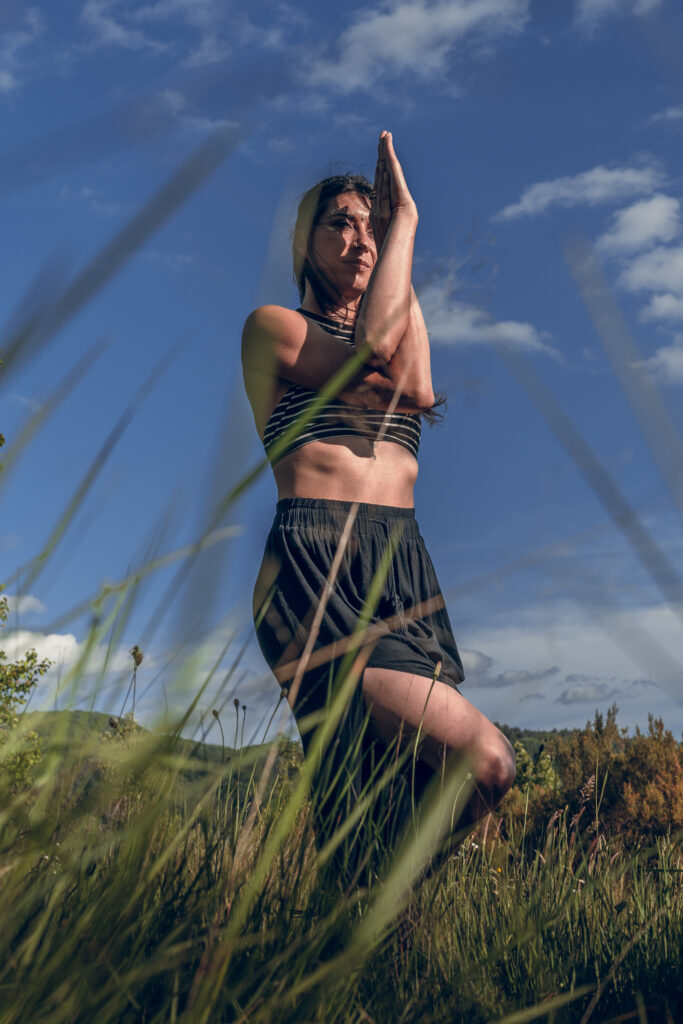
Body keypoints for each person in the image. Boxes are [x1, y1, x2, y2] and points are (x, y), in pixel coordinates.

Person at [242, 132, 515, 878]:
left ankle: (356, 919)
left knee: (371, 792)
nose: (360, 238)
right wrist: (406, 224)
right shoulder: (274, 329)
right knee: (486, 760)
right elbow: (373, 361)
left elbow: (417, 389)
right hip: (315, 562)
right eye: (340, 223)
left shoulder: (391, 321)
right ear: (304, 243)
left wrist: (402, 234)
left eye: (372, 226)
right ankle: (374, 901)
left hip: (398, 564)